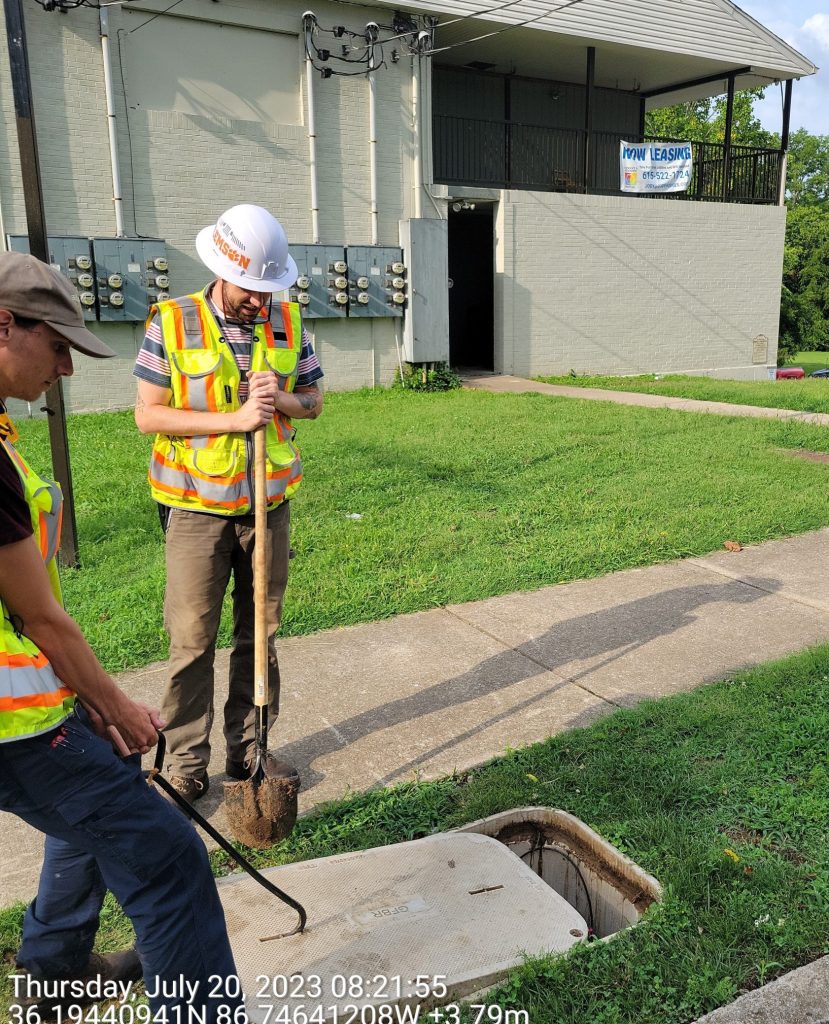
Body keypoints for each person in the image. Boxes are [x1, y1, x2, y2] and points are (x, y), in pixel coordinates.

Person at [0, 252, 242, 1020]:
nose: (66, 368)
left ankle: (52, 979)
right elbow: (39, 616)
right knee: (168, 859)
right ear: (4, 324)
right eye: (59, 344)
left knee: (95, 808)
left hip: (29, 713)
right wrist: (112, 704)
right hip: (17, 729)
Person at [134, 204, 324, 800]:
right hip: (195, 509)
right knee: (192, 638)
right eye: (250, 289)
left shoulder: (288, 322)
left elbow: (313, 401)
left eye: (270, 289)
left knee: (260, 634)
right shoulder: (171, 321)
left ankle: (251, 754)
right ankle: (185, 763)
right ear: (222, 268)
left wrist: (281, 401)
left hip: (268, 507)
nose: (259, 302)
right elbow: (148, 415)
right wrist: (235, 416)